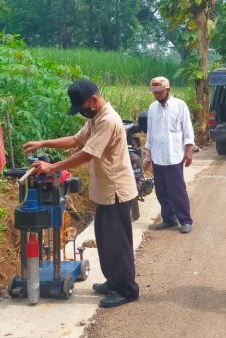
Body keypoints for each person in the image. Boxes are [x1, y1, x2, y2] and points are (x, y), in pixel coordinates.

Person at [23, 79, 139, 308]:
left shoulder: (108, 120)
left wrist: (53, 167)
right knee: (106, 241)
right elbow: (76, 140)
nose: (82, 112)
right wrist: (43, 143)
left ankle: (127, 290)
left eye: (83, 107)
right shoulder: (96, 118)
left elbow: (87, 154)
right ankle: (114, 281)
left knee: (118, 243)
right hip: (105, 191)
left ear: (94, 100)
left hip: (116, 190)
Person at [143, 76, 195, 234]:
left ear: (168, 90)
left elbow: (187, 131)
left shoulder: (180, 106)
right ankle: (169, 218)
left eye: (159, 92)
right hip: (158, 157)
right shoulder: (152, 108)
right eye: (154, 92)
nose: (157, 95)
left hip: (174, 156)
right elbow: (150, 134)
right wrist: (148, 156)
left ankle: (185, 220)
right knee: (161, 190)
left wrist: (189, 152)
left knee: (177, 190)